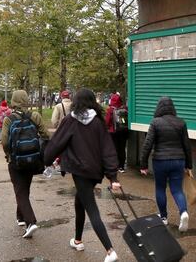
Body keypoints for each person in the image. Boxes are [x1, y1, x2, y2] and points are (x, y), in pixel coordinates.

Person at [44, 88, 120, 262]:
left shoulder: (70, 120)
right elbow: (108, 150)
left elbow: (57, 142)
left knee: (91, 208)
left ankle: (110, 250)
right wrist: (112, 176)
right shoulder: (98, 122)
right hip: (94, 172)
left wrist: (47, 158)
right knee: (80, 201)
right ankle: (78, 240)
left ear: (76, 101)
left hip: (79, 170)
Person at [1, 90, 49, 239]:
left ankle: (30, 222)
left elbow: (4, 141)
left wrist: (9, 154)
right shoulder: (35, 116)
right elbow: (46, 135)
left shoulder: (9, 119)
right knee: (24, 188)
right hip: (33, 159)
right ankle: (20, 217)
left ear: (13, 101)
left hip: (16, 160)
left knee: (20, 191)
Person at [139, 97, 192, 232]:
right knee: (177, 189)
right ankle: (183, 212)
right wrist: (189, 165)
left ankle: (163, 217)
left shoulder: (155, 123)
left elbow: (147, 144)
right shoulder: (181, 123)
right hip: (178, 161)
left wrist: (143, 164)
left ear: (159, 108)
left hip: (160, 161)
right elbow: (187, 145)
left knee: (160, 188)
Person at [106, 92, 129, 173]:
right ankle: (121, 167)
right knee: (122, 149)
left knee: (114, 149)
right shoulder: (124, 109)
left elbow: (107, 122)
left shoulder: (110, 110)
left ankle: (115, 165)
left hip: (113, 133)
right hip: (123, 132)